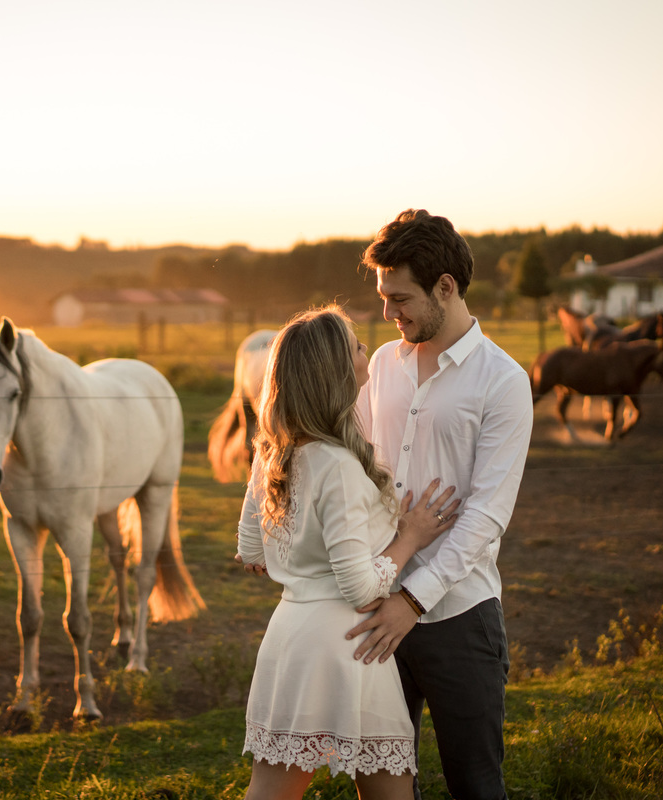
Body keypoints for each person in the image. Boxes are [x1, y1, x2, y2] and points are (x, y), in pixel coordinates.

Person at [346, 209, 534, 800]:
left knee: (475, 785)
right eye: (382, 297)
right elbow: (353, 470)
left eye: (400, 298)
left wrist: (413, 601)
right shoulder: (380, 365)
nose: (387, 313)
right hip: (375, 609)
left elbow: (486, 514)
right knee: (379, 783)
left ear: (445, 287)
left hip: (459, 616)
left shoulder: (503, 381)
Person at [237, 305, 461, 800]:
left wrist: (299, 560)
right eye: (358, 347)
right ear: (336, 372)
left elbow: (250, 548)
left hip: (290, 638)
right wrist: (409, 537)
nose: (368, 353)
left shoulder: (273, 451)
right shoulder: (335, 463)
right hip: (346, 643)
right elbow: (359, 587)